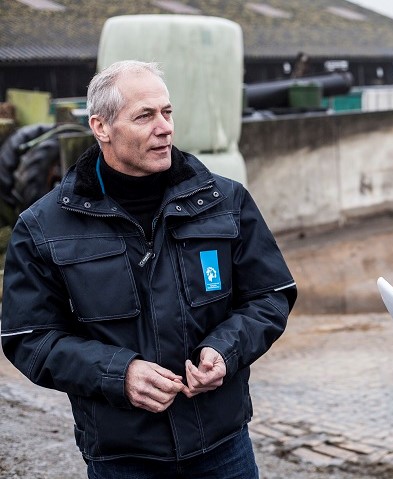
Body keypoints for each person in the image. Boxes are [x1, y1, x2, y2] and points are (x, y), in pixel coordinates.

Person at [0, 60, 297, 478]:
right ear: (101, 127)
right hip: (123, 458)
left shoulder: (224, 200)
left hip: (222, 447)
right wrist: (118, 374)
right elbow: (29, 337)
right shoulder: (43, 227)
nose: (165, 127)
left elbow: (271, 294)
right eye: (145, 115)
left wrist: (225, 351)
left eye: (167, 112)